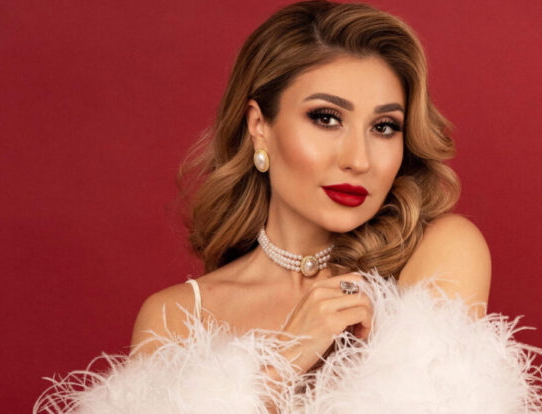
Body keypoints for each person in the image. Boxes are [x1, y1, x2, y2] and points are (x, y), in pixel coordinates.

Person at [129, 0, 491, 377]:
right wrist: (289, 356)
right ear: (259, 126)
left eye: (383, 127)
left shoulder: (440, 252)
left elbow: (430, 400)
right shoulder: (174, 318)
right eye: (326, 118)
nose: (359, 160)